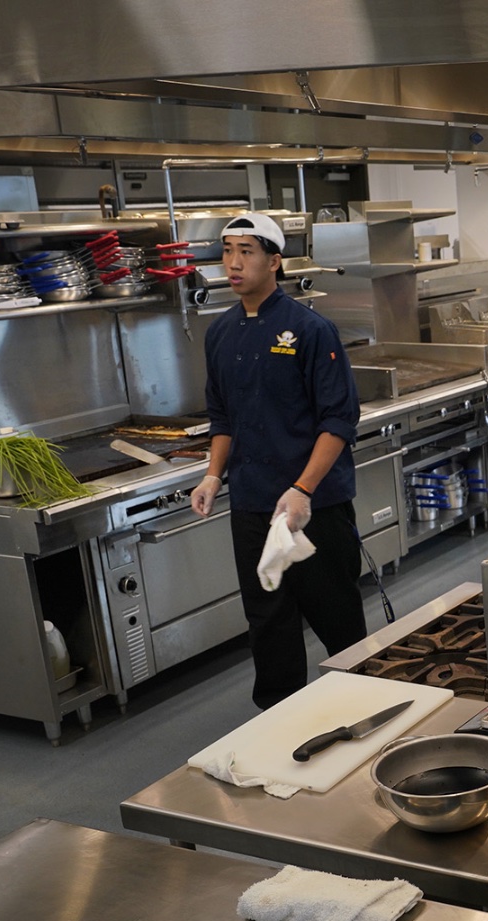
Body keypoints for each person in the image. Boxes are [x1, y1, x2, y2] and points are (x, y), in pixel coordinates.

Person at [190, 212, 368, 709]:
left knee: (335, 614)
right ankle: (279, 719)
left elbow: (338, 420)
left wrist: (303, 489)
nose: (234, 262)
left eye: (246, 251)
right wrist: (211, 475)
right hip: (252, 504)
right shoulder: (220, 333)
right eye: (227, 252)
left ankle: (361, 704)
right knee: (267, 620)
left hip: (315, 506)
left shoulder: (310, 329)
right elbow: (222, 417)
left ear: (274, 261)